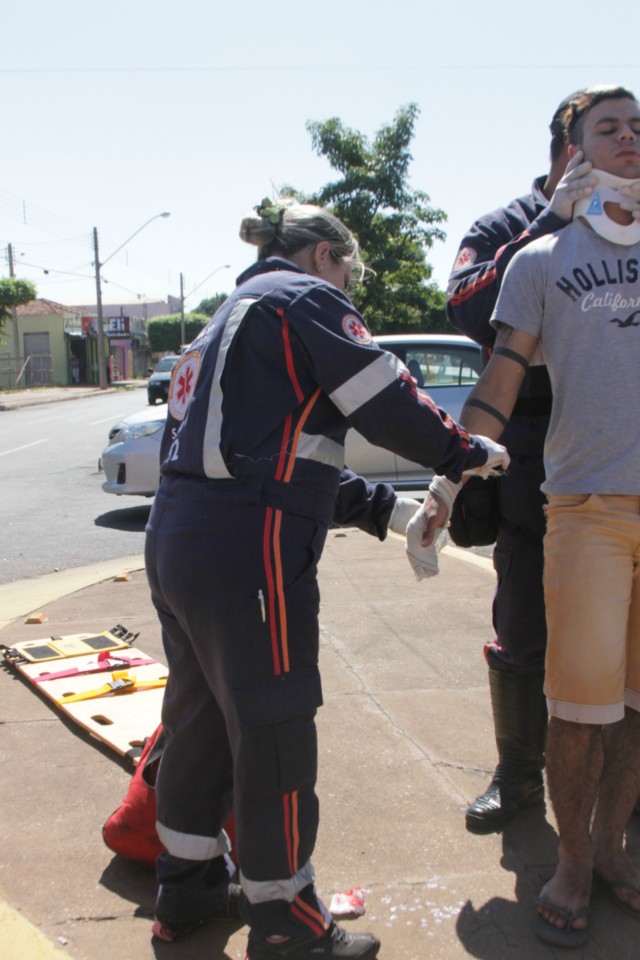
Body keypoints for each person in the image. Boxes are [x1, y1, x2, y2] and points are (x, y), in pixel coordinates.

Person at [144, 197, 508, 960]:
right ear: (322, 256)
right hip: (250, 549)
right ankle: (284, 922)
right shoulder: (303, 300)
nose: (352, 288)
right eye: (350, 268)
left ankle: (188, 886)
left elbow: (279, 457)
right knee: (273, 724)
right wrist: (463, 453)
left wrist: (385, 509)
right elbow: (386, 400)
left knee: (201, 719)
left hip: (180, 537)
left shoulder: (224, 319)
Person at [421, 85, 640, 948]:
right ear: (567, 145)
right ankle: (558, 840)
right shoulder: (527, 240)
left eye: (638, 128)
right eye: (607, 128)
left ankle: (614, 849)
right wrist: (447, 482)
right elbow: (484, 341)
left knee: (632, 699)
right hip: (559, 480)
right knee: (552, 672)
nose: (628, 139)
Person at [446, 88, 600, 833]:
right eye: (609, 136)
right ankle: (516, 782)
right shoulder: (506, 225)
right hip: (531, 462)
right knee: (524, 629)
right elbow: (470, 308)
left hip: (618, 457)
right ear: (567, 151)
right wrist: (551, 222)